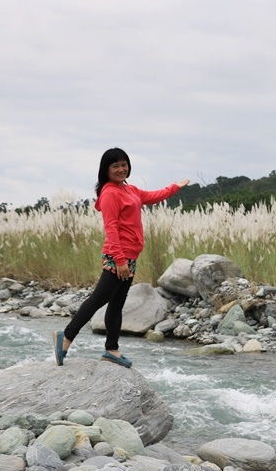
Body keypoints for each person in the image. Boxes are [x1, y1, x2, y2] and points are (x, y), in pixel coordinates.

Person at [53, 147, 189, 368]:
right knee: (99, 299)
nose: (121, 169)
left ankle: (112, 350)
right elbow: (111, 229)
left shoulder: (129, 190)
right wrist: (119, 260)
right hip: (119, 257)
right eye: (115, 166)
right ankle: (66, 337)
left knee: (116, 304)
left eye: (123, 164)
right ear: (106, 170)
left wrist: (174, 188)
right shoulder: (109, 193)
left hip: (129, 257)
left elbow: (153, 196)